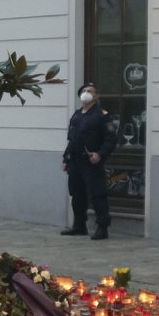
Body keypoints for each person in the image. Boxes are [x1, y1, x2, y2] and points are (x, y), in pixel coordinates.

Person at [62, 82, 114, 240]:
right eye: (84, 91)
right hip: (75, 161)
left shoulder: (101, 115)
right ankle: (79, 225)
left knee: (98, 194)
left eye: (90, 91)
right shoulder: (77, 114)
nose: (86, 93)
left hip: (91, 161)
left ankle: (102, 227)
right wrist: (66, 157)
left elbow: (111, 139)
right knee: (76, 194)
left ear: (96, 96)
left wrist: (100, 154)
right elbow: (72, 139)